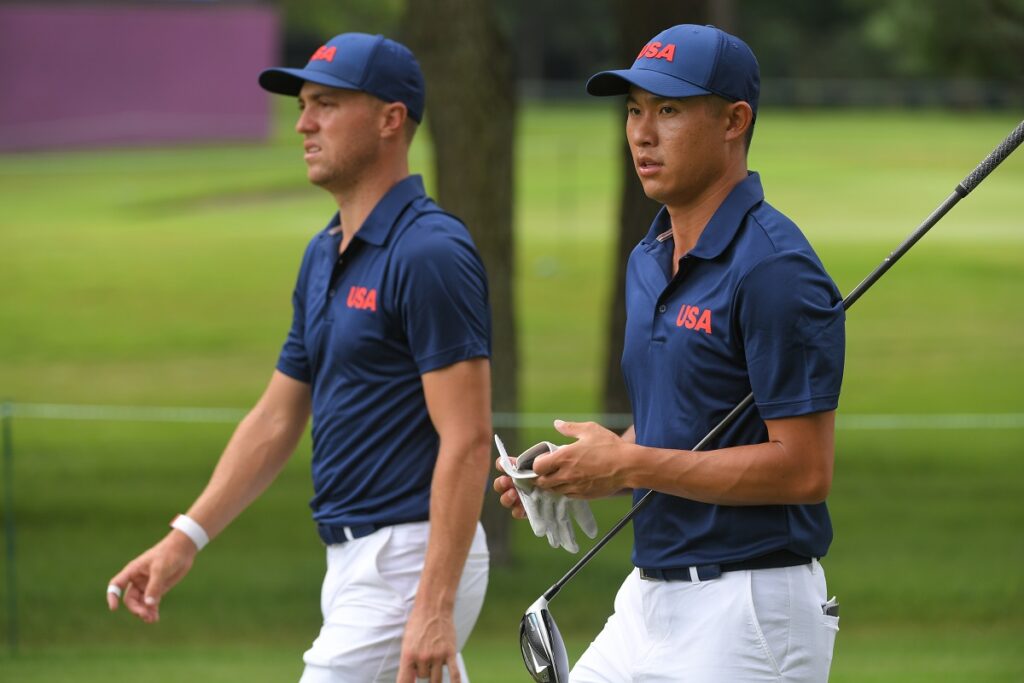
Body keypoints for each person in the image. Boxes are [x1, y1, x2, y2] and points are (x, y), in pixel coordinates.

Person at [107, 32, 493, 683]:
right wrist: (185, 538)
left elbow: (469, 437)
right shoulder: (323, 253)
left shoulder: (430, 252)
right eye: (303, 105)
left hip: (408, 555)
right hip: (351, 560)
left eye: (326, 104)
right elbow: (277, 417)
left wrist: (433, 605)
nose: (303, 124)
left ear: (390, 119)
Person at [495, 24, 846, 682]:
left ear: (734, 121)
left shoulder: (775, 269)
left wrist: (630, 462)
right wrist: (586, 469)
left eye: (670, 110)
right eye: (634, 110)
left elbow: (804, 469)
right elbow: (681, 425)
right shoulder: (650, 258)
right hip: (649, 596)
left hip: (748, 608)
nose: (642, 134)